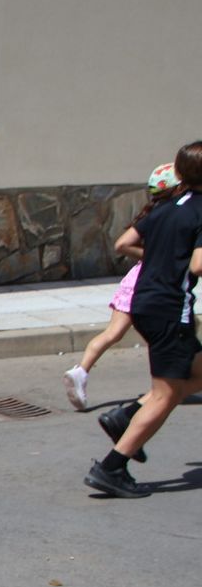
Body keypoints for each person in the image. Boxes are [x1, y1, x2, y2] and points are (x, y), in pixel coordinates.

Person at [85, 140, 202, 498]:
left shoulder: (165, 206)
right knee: (166, 395)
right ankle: (112, 467)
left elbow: (126, 240)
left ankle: (126, 416)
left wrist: (164, 256)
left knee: (198, 374)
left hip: (144, 303)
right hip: (170, 310)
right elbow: (198, 265)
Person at [63, 162, 183, 411]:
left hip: (134, 281)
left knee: (112, 333)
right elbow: (126, 245)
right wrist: (157, 257)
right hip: (151, 284)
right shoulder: (171, 217)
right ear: (177, 190)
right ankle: (163, 387)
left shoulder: (152, 215)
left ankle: (80, 371)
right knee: (165, 337)